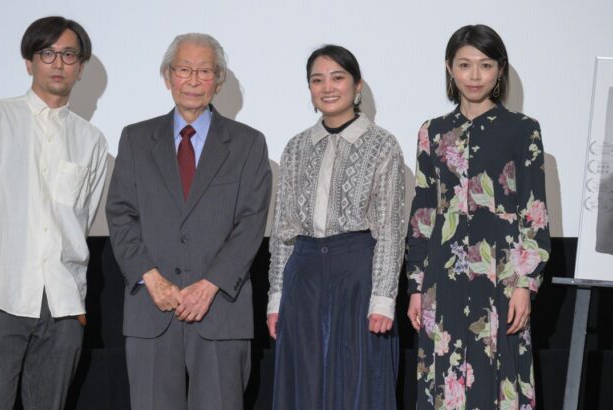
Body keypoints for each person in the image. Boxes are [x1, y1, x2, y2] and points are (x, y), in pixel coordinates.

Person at [0, 16, 107, 409]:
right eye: (47, 53)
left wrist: (75, 299)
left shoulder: (91, 140)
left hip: (63, 306)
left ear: (80, 67)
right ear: (29, 62)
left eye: (68, 54)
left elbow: (81, 222)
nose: (58, 63)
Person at [106, 33, 271, 410]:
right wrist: (151, 278)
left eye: (205, 71)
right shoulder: (135, 139)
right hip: (151, 308)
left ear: (219, 80)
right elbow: (120, 214)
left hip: (220, 311)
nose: (194, 80)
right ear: (168, 76)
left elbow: (250, 223)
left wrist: (209, 285)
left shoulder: (248, 143)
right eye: (184, 69)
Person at [406, 24, 550, 409]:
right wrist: (416, 286)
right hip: (443, 278)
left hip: (502, 276)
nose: (474, 75)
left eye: (485, 65)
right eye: (464, 64)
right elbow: (423, 214)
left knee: (500, 379)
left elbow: (534, 213)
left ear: (500, 70)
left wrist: (525, 284)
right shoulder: (432, 132)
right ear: (449, 68)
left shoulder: (523, 130)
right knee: (444, 380)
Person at [267, 44, 405, 409]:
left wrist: (383, 298)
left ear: (357, 86)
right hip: (304, 278)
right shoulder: (295, 147)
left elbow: (390, 230)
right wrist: (276, 298)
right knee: (305, 385)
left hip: (357, 276)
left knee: (359, 386)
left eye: (337, 77)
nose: (327, 87)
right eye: (317, 80)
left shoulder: (383, 145)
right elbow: (283, 231)